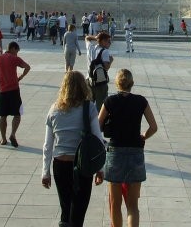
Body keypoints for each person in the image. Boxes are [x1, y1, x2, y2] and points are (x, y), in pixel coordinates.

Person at [42, 71, 105, 227]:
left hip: (60, 164)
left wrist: (45, 172)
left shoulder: (54, 109)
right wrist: (100, 168)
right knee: (78, 212)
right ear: (84, 86)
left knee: (65, 209)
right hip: (82, 166)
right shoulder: (89, 108)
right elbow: (98, 139)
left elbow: (47, 145)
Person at [99, 69, 158, 227]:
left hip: (115, 152)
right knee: (133, 206)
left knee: (115, 203)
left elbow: (97, 125)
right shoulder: (141, 101)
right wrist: (143, 136)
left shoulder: (109, 101)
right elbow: (154, 127)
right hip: (135, 152)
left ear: (116, 83)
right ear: (132, 84)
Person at [0, 41, 31, 147]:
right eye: (17, 51)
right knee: (17, 115)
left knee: (3, 116)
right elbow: (27, 67)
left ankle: (3, 139)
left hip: (2, 91)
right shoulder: (14, 58)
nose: (17, 54)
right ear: (13, 48)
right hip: (14, 90)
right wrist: (20, 77)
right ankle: (13, 134)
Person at [89, 32, 113, 111]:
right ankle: (99, 122)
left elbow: (87, 38)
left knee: (89, 105)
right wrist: (111, 61)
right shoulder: (104, 51)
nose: (110, 43)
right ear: (103, 41)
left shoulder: (91, 47)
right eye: (108, 41)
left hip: (90, 80)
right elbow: (106, 67)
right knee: (101, 107)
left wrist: (97, 38)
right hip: (100, 83)